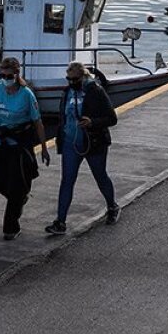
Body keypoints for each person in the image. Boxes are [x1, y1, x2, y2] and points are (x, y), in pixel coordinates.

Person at [0, 57, 50, 241]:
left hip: (19, 145)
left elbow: (37, 122)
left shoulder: (26, 95)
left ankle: (10, 226)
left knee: (16, 186)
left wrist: (44, 147)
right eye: (2, 75)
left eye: (9, 75)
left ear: (16, 75)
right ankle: (20, 199)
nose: (5, 78)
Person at [45, 62, 120, 235]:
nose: (72, 82)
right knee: (67, 181)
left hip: (93, 142)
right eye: (68, 79)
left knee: (100, 176)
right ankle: (60, 221)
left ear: (83, 76)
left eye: (75, 79)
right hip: (71, 143)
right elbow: (63, 116)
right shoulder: (67, 92)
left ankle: (112, 206)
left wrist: (92, 122)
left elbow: (112, 118)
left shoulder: (96, 91)